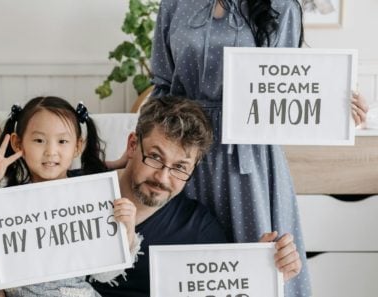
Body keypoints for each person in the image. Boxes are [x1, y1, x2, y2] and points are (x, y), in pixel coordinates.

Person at [0, 96, 302, 297]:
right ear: (133, 145)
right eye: (155, 157)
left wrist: (265, 271)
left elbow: (227, 288)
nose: (162, 177)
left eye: (179, 168)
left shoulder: (199, 229)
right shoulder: (72, 189)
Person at [150, 1, 369, 296]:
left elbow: (291, 84)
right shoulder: (175, 4)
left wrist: (339, 106)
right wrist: (145, 151)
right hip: (184, 153)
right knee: (194, 271)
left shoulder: (282, 6)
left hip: (250, 159)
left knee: (262, 263)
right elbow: (162, 85)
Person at [0, 96, 142, 297]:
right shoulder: (4, 199)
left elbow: (105, 274)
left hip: (74, 293)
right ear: (18, 144)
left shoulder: (89, 197)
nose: (51, 151)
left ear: (77, 146)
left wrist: (127, 230)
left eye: (62, 141)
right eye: (39, 140)